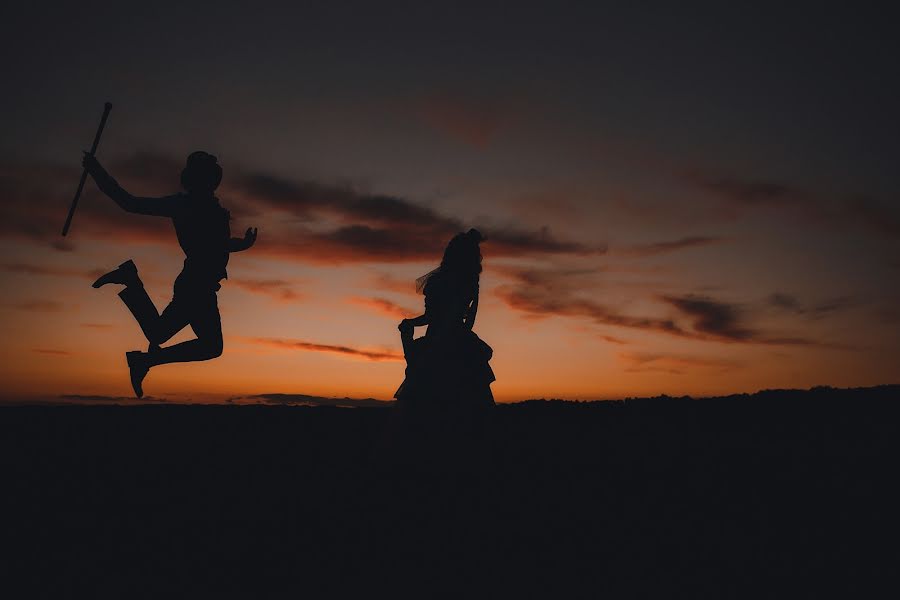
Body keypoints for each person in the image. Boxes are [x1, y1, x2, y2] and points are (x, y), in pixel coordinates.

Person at [82, 151, 258, 397]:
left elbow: (218, 244)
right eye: (209, 177)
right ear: (198, 179)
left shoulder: (214, 209)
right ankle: (132, 289)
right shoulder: (181, 205)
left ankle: (142, 353)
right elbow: (129, 203)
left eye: (214, 178)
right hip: (195, 285)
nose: (213, 182)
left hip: (203, 285)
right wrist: (96, 171)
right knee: (206, 346)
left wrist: (243, 244)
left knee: (170, 336)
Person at [394, 229, 495, 413]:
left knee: (427, 402)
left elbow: (430, 316)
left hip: (436, 343)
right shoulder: (471, 282)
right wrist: (462, 338)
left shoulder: (438, 281)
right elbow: (469, 321)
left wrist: (410, 324)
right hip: (461, 342)